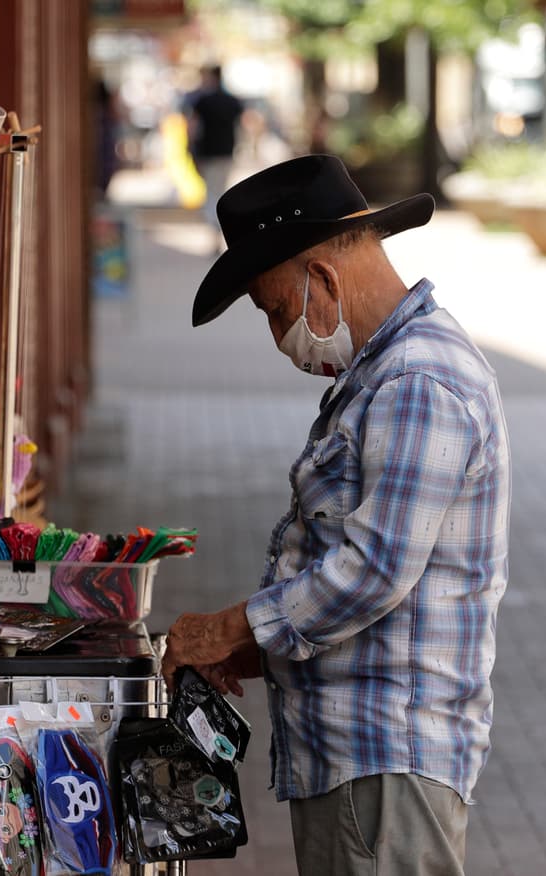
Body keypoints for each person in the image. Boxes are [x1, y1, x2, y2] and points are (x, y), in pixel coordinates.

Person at [162, 154, 511, 876]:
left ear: (321, 280)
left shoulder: (418, 381)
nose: (279, 336)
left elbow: (373, 570)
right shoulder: (384, 373)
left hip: (385, 761)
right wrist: (259, 647)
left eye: (275, 310)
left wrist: (227, 627)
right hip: (362, 764)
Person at [186, 65, 245, 249]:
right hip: (226, 152)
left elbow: (193, 127)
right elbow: (241, 125)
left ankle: (216, 231)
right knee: (220, 191)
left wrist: (190, 147)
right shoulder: (232, 101)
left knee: (212, 194)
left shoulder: (202, 101)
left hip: (208, 153)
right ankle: (218, 232)